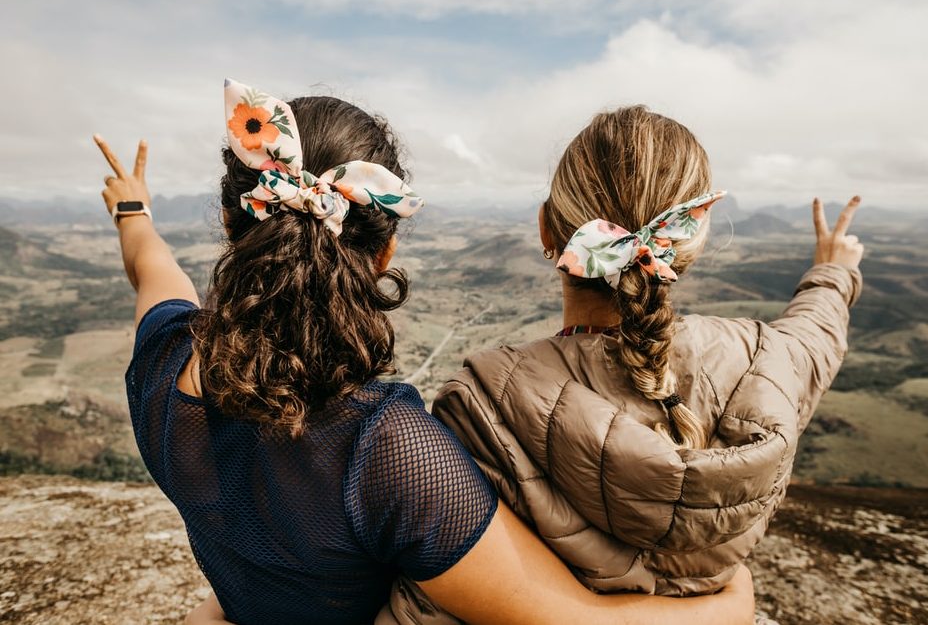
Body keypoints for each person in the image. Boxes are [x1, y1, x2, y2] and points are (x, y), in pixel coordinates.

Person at [95, 82, 755, 625]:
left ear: (231, 220)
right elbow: (571, 618)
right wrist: (730, 608)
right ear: (384, 253)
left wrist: (133, 209)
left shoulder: (163, 358)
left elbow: (151, 268)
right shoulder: (387, 452)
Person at [382, 106, 864, 623]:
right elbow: (815, 335)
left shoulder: (481, 397)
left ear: (548, 231)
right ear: (691, 241)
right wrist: (833, 271)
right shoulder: (764, 360)